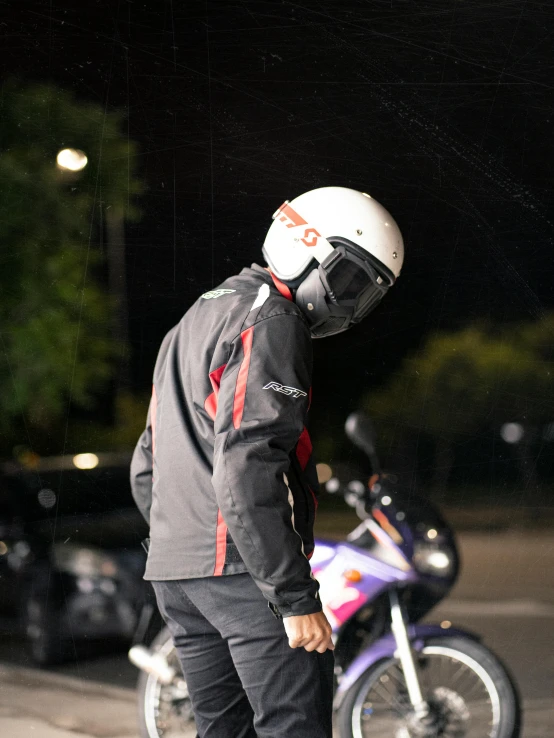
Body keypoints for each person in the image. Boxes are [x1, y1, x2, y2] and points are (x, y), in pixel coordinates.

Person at [130, 186, 404, 737]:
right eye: (348, 279)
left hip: (177, 576)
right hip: (241, 574)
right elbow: (248, 464)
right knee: (293, 727)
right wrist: (293, 596)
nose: (349, 304)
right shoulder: (274, 320)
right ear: (303, 244)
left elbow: (146, 463)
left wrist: (179, 545)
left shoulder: (195, 318)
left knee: (223, 731)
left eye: (365, 294)